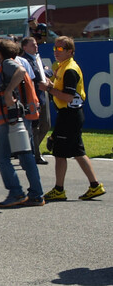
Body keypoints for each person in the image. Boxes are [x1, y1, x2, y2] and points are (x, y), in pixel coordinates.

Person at [39, 36, 106, 201]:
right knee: (76, 151)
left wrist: (49, 89)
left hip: (70, 115)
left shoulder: (70, 69)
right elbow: (59, 89)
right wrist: (50, 84)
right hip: (67, 115)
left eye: (60, 49)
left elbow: (68, 97)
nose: (56, 51)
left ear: (70, 51)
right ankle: (94, 185)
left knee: (61, 153)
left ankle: (60, 189)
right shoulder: (61, 67)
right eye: (55, 48)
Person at [0, 39, 44, 207]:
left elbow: (20, 72)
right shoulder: (17, 62)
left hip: (10, 119)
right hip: (21, 118)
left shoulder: (7, 63)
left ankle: (16, 192)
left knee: (0, 156)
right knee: (25, 154)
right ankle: (36, 193)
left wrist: (6, 92)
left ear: (0, 53)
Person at [20, 37, 50, 165]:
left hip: (43, 95)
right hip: (33, 97)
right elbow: (37, 75)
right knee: (35, 128)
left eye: (36, 45)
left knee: (46, 125)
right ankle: (36, 154)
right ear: (25, 47)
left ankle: (33, 149)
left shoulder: (37, 58)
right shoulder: (24, 60)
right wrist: (44, 71)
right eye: (32, 45)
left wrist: (45, 71)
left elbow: (49, 71)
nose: (36, 47)